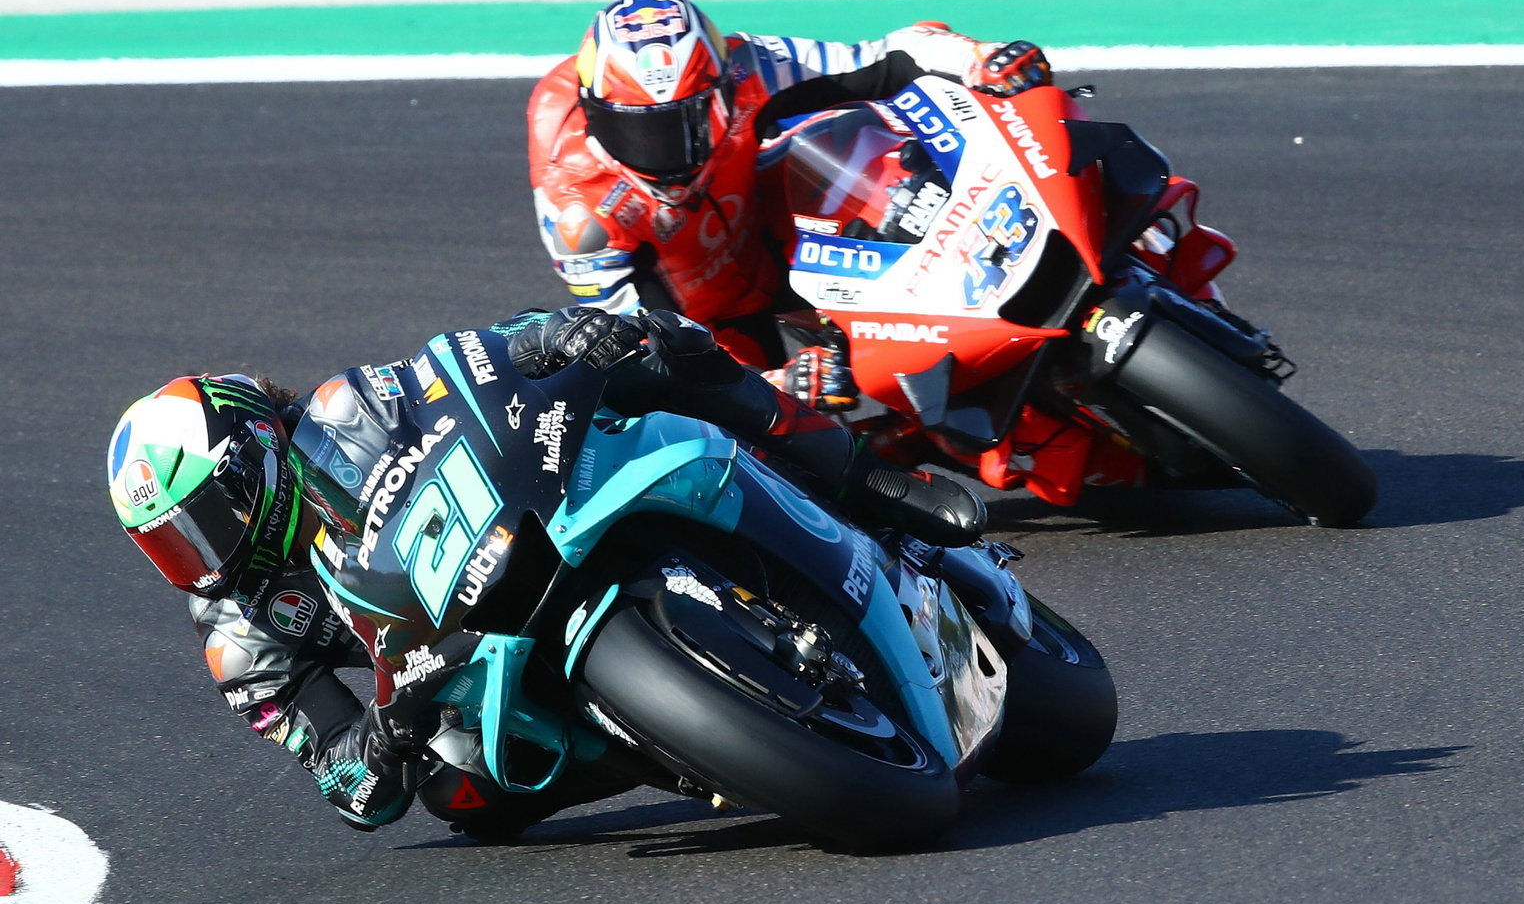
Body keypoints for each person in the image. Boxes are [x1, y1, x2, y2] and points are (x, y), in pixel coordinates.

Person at [107, 305, 986, 836]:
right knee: (463, 799)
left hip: (514, 528)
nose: (200, 559)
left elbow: (456, 368)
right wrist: (390, 732)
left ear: (252, 458)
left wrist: (554, 337)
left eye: (201, 524)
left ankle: (856, 475)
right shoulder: (238, 639)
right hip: (443, 661)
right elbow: (350, 788)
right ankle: (695, 743)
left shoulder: (344, 411)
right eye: (169, 545)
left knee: (652, 349)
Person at [528, 0, 1052, 411]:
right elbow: (639, 347)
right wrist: (775, 381)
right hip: (704, 324)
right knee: (767, 438)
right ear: (598, 113)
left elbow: (885, 57)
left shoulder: (746, 66)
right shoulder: (578, 207)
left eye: (691, 121)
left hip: (773, 234)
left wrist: (980, 59)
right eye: (647, 132)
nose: (674, 154)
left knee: (856, 139)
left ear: (720, 88)